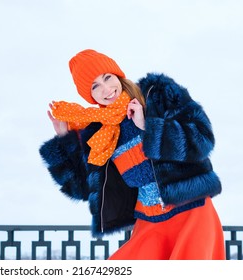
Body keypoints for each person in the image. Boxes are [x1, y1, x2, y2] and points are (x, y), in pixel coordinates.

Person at [39, 49, 225, 260]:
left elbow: (202, 139)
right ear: (89, 95)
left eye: (107, 77)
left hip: (192, 212)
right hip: (149, 222)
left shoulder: (157, 95)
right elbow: (82, 189)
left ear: (117, 74)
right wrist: (65, 139)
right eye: (95, 86)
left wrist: (149, 126)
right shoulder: (100, 134)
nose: (106, 89)